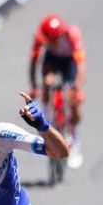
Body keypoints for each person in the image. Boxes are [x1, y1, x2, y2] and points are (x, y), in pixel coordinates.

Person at [29, 13, 86, 169]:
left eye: (56, 40)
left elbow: (80, 65)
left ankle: (74, 145)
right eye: (50, 41)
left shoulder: (72, 34)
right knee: (47, 82)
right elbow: (34, 62)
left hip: (69, 63)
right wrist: (35, 86)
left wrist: (78, 89)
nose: (53, 43)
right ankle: (46, 121)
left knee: (74, 101)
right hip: (52, 61)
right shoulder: (40, 37)